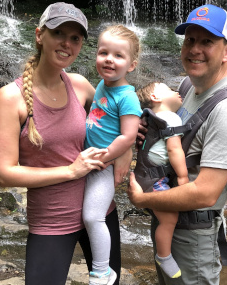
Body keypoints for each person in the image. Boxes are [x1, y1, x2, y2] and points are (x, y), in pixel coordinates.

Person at [0, 2, 131, 285]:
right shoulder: (11, 97)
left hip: (100, 214)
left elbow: (123, 118)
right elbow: (4, 174)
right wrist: (70, 171)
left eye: (75, 38)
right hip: (51, 222)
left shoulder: (80, 85)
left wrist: (126, 150)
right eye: (59, 33)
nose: (67, 43)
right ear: (40, 35)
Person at [127, 4, 227, 285]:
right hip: (169, 220)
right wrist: (144, 130)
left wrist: (142, 199)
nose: (194, 49)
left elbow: (205, 193)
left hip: (194, 237)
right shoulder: (186, 86)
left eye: (207, 41)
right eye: (190, 40)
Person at [83, 24, 142, 285]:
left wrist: (104, 157)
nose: (109, 59)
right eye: (103, 52)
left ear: (131, 65)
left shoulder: (127, 96)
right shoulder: (103, 85)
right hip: (90, 161)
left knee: (93, 216)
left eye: (118, 56)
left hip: (102, 167)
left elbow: (128, 136)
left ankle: (102, 271)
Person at [135, 82, 189, 279]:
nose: (177, 91)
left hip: (146, 176)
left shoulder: (149, 117)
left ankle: (163, 253)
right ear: (156, 98)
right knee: (169, 218)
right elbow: (174, 149)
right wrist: (182, 176)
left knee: (163, 217)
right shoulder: (170, 118)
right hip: (154, 179)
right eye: (169, 90)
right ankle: (163, 256)